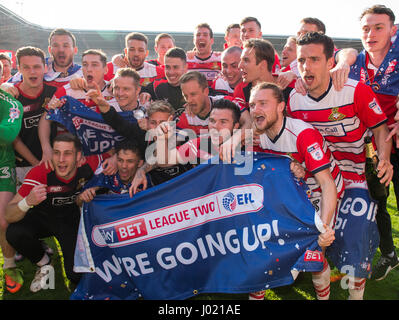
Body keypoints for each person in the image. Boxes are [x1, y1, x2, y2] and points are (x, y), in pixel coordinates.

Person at [288, 31, 393, 300]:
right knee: (316, 244)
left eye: (314, 59)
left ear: (329, 61)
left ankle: (354, 297)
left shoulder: (354, 89)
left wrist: (384, 159)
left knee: (354, 248)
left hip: (357, 177)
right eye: (301, 60)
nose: (306, 67)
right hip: (318, 180)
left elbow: (380, 129)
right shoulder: (295, 99)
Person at [248, 82, 342, 300]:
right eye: (253, 104)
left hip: (319, 191)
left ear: (281, 106)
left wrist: (324, 227)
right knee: (264, 252)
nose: (256, 110)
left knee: (314, 253)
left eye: (263, 103)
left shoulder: (302, 134)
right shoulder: (256, 134)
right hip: (291, 192)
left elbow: (327, 184)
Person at [5, 133, 108, 292]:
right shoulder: (40, 173)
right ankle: (45, 263)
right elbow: (8, 214)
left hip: (70, 220)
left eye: (67, 153)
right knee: (14, 232)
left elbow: (116, 155)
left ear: (79, 156)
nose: (61, 159)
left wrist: (112, 163)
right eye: (56, 152)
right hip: (43, 218)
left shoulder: (89, 163)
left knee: (76, 276)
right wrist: (27, 202)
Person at [349, 4, 399, 281]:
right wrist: (344, 61)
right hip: (371, 146)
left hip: (396, 140)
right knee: (376, 202)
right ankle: (388, 254)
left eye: (378, 27)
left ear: (393, 30)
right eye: (366, 28)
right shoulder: (354, 62)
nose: (371, 33)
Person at [5, 47, 58, 187]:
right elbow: (13, 138)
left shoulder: (54, 92)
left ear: (45, 68)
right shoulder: (11, 98)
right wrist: (36, 166)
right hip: (21, 167)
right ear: (19, 69)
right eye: (26, 67)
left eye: (36, 67)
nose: (32, 72)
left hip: (53, 163)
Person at [0, 75, 24, 293]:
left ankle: (9, 265)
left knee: (3, 221)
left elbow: (7, 134)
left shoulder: (10, 102)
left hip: (2, 166)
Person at [8, 28, 82, 88]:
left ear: (75, 50)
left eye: (65, 46)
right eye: (56, 45)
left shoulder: (82, 73)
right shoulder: (39, 65)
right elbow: (11, 83)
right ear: (50, 50)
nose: (61, 50)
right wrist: (6, 86)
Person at [76, 139, 144, 205]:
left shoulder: (146, 181)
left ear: (140, 163)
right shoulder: (107, 174)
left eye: (130, 161)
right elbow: (78, 201)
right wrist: (83, 196)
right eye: (120, 160)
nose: (124, 166)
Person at [141, 47, 188, 113]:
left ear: (185, 67)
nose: (171, 72)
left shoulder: (193, 88)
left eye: (175, 67)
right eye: (167, 67)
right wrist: (144, 93)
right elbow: (141, 90)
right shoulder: (157, 85)